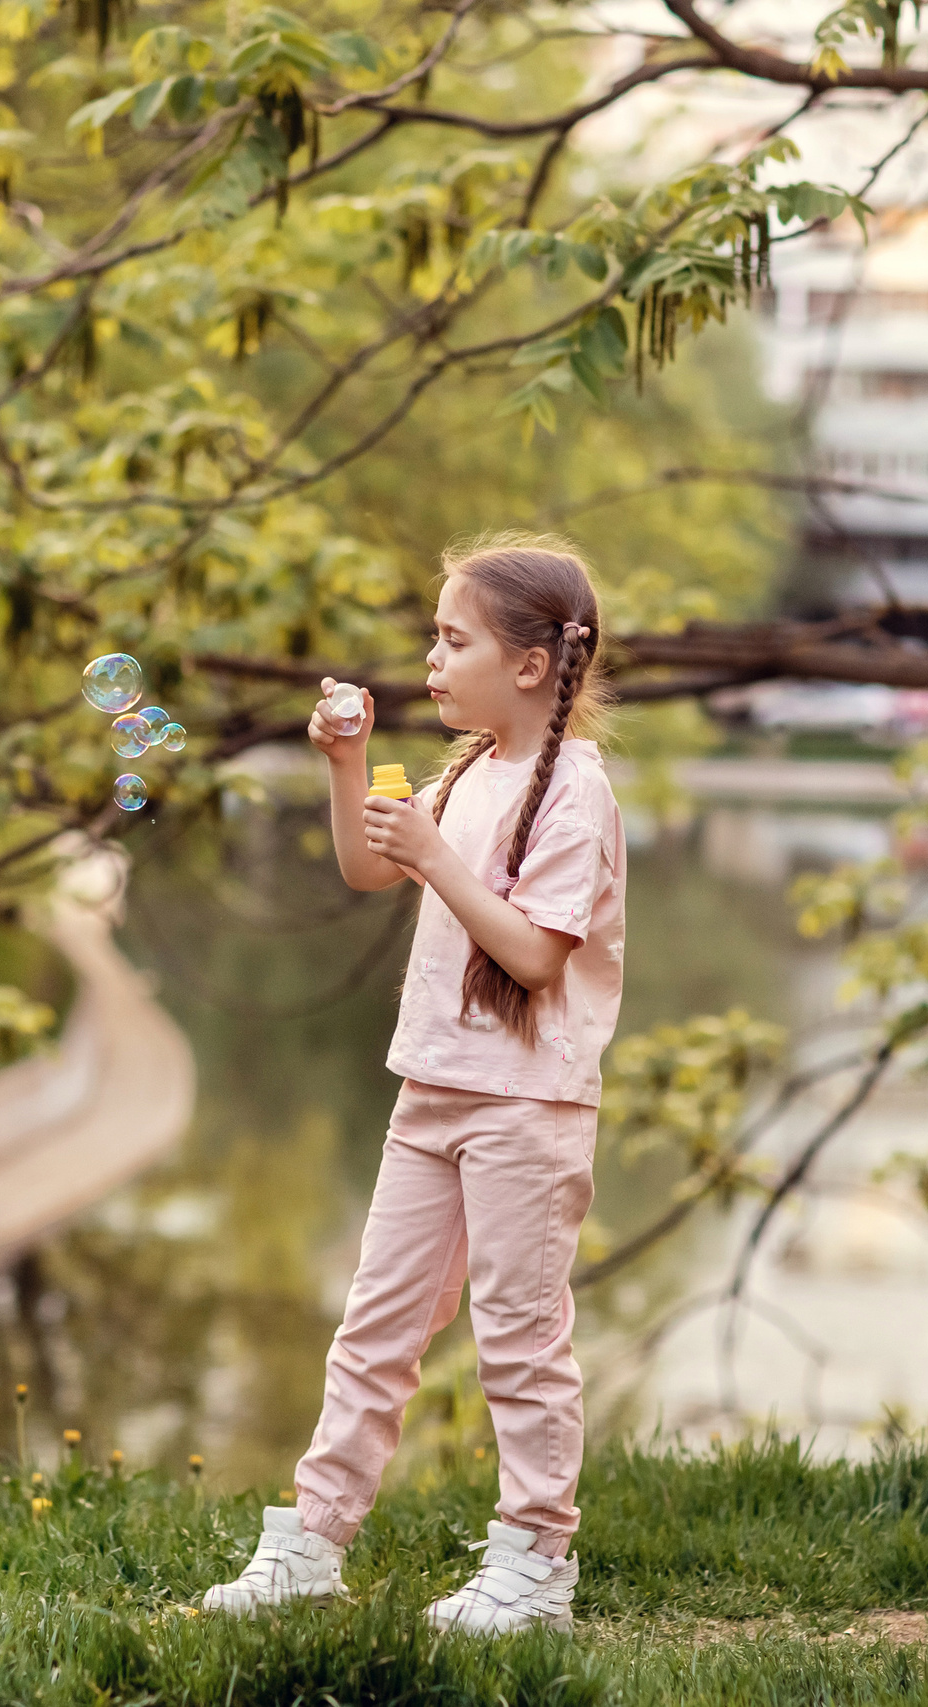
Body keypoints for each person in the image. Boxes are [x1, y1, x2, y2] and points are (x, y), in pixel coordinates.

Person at [203, 535, 626, 1634]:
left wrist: (436, 856)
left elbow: (536, 956)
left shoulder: (573, 791)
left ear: (530, 664)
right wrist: (346, 768)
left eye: (452, 639)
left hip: (527, 1107)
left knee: (520, 1338)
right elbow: (362, 866)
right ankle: (312, 1540)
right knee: (373, 1329)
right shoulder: (466, 771)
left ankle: (535, 1563)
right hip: (430, 1090)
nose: (429, 661)